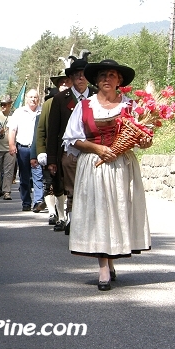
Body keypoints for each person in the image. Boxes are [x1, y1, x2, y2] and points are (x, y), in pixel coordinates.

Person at [62, 59, 152, 291]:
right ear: (96, 81)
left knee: (116, 211)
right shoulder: (84, 107)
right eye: (102, 75)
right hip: (95, 165)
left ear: (119, 80)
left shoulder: (131, 107)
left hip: (122, 166)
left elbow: (144, 139)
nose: (106, 80)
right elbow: (72, 139)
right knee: (99, 212)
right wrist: (98, 149)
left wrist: (143, 141)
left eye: (112, 75)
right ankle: (103, 266)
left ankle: (110, 259)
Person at [47, 57, 96, 233]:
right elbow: (53, 131)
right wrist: (52, 159)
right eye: (76, 75)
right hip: (69, 152)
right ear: (71, 78)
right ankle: (73, 219)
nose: (80, 78)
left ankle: (92, 221)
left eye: (84, 75)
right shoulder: (60, 99)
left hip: (94, 150)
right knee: (72, 187)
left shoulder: (97, 96)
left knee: (93, 186)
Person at [34, 69, 72, 222]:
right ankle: (58, 216)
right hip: (54, 151)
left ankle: (70, 218)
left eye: (66, 81)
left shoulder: (79, 101)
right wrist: (42, 151)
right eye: (61, 82)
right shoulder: (49, 103)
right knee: (54, 184)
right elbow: (41, 129)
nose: (64, 84)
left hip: (74, 149)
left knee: (71, 186)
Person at [8, 89, 43, 211]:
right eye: (31, 97)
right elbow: (12, 130)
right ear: (26, 98)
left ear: (38, 99)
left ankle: (38, 201)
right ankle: (26, 202)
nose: (33, 99)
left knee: (38, 175)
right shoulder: (19, 112)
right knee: (24, 177)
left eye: (35, 97)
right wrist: (11, 144)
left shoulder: (42, 111)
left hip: (37, 149)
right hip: (22, 148)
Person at [0, 95, 16, 200]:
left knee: (8, 171)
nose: (2, 106)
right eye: (1, 104)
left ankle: (6, 191)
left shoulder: (14, 116)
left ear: (9, 105)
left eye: (5, 104)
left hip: (10, 148)